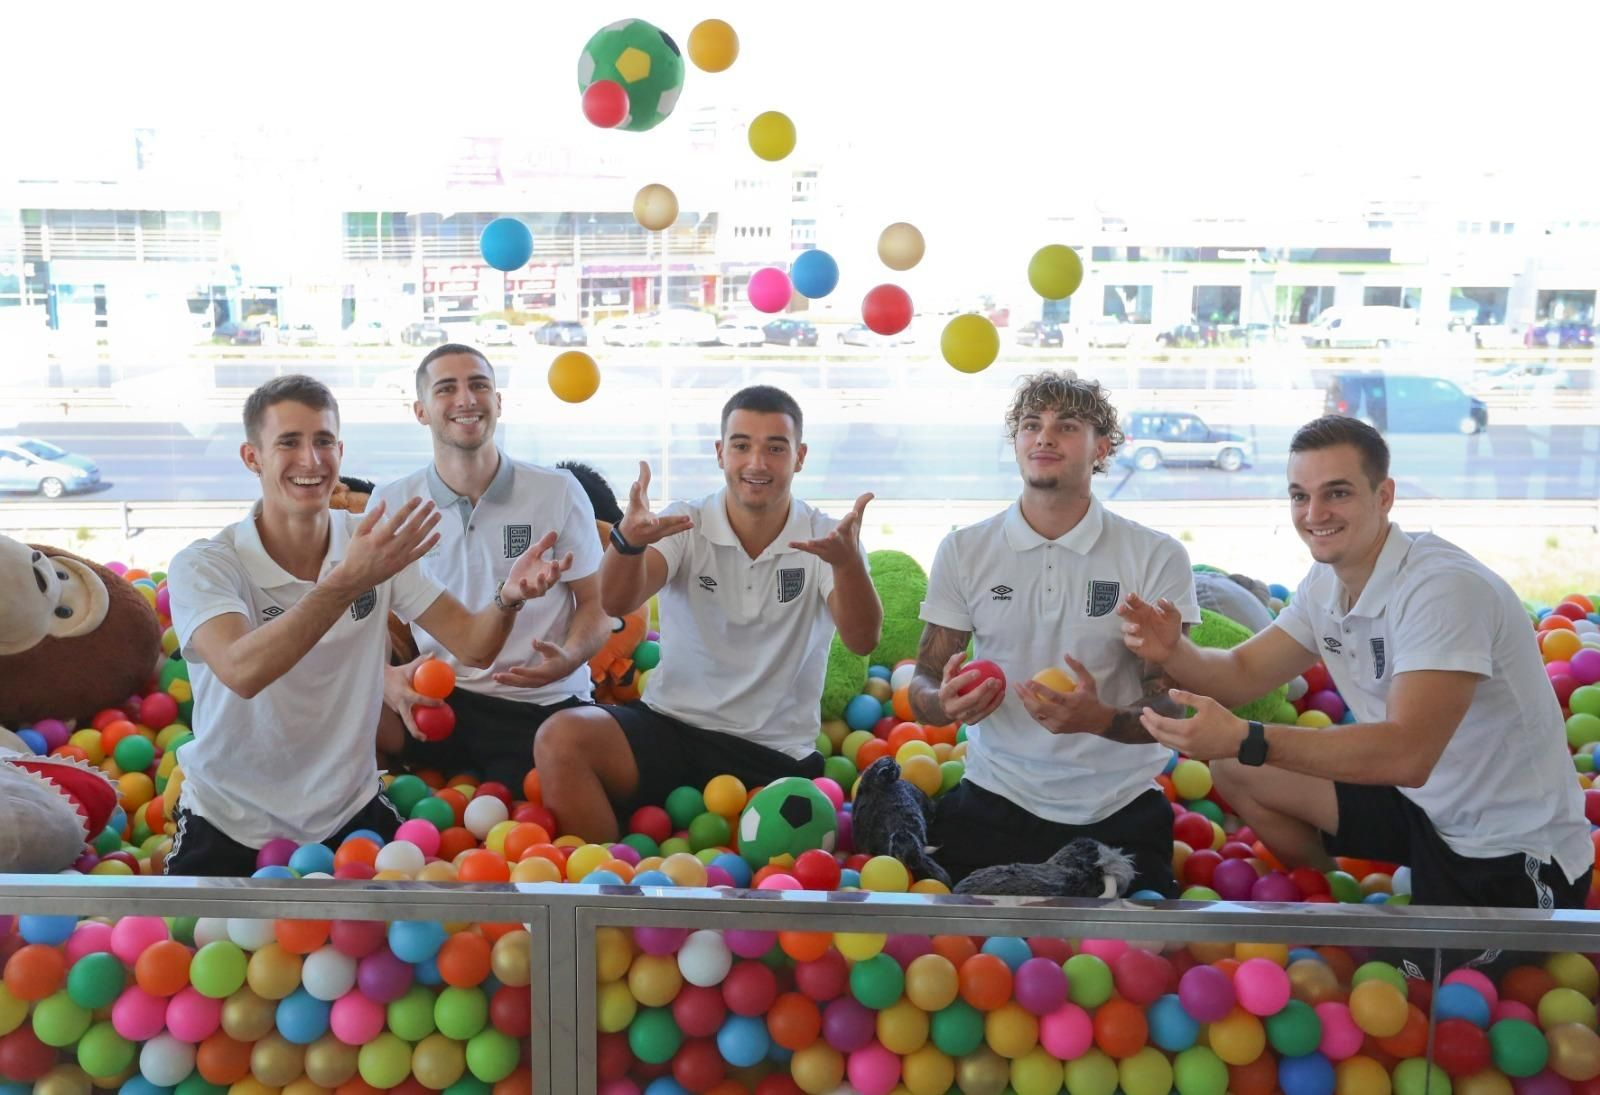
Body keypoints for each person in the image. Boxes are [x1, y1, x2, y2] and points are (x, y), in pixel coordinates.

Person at [1121, 414, 1594, 908]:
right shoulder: (1326, 583)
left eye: (1337, 493)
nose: (1314, 513)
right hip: (1420, 810)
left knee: (1436, 987)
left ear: (1384, 496)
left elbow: (1407, 756)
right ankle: (1335, 896)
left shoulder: (1443, 590)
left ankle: (1375, 910)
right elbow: (1241, 675)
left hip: (1510, 846)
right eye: (1300, 495)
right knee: (1236, 769)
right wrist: (1175, 650)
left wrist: (1248, 737)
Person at [165, 374, 573, 876]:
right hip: (229, 821)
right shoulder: (206, 564)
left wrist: (507, 598)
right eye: (288, 443)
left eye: (323, 442)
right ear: (253, 457)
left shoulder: (372, 542)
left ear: (340, 449)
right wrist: (346, 582)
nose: (311, 461)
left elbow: (472, 646)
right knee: (189, 947)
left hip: (348, 817)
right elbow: (242, 671)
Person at [532, 385, 883, 842]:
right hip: (670, 727)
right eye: (742, 446)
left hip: (773, 753)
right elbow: (617, 601)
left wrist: (847, 562)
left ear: (799, 457)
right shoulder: (686, 524)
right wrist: (628, 542)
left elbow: (862, 639)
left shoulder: (825, 538)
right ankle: (610, 883)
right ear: (721, 453)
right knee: (559, 738)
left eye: (775, 448)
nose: (756, 463)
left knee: (792, 857)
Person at [909, 371, 1199, 896]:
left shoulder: (1155, 557)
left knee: (1131, 955)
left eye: (1066, 426)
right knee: (960, 930)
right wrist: (944, 704)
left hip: (1119, 807)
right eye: (1030, 424)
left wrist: (1101, 720)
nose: (1043, 436)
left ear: (1102, 448)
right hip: (996, 795)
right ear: (1016, 442)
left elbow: (1175, 707)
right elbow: (923, 682)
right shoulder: (964, 550)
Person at [373, 344, 608, 788]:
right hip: (437, 702)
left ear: (498, 403)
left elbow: (597, 603)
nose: (466, 399)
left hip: (545, 704)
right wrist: (383, 677)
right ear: (421, 411)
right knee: (336, 702)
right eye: (447, 389)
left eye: (479, 385)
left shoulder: (556, 490)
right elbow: (355, 616)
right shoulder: (392, 502)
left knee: (530, 825)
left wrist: (570, 658)